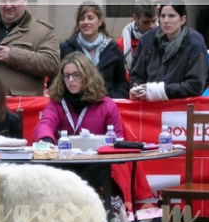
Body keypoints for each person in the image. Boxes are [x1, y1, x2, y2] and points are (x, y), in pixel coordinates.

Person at [33, 53, 152, 206]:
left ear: (87, 76)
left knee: (104, 174)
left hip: (97, 164)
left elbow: (117, 140)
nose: (71, 80)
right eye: (67, 75)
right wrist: (46, 139)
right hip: (65, 163)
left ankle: (108, 216)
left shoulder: (106, 104)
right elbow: (45, 123)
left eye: (76, 75)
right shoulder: (57, 103)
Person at [129, 0, 208, 101]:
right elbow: (136, 75)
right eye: (162, 16)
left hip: (180, 111)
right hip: (149, 109)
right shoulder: (150, 43)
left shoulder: (194, 46)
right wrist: (137, 89)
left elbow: (195, 85)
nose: (166, 20)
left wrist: (159, 91)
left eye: (171, 16)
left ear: (182, 20)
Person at [59, 2, 128, 99]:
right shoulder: (67, 48)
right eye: (82, 19)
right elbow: (57, 81)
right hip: (75, 108)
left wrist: (109, 100)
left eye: (90, 18)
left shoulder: (113, 48)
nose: (86, 22)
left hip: (106, 106)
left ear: (100, 21)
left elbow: (121, 83)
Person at [116, 0, 157, 79]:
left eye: (154, 21)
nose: (151, 26)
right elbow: (118, 78)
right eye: (146, 22)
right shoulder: (121, 45)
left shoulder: (165, 38)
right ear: (135, 18)